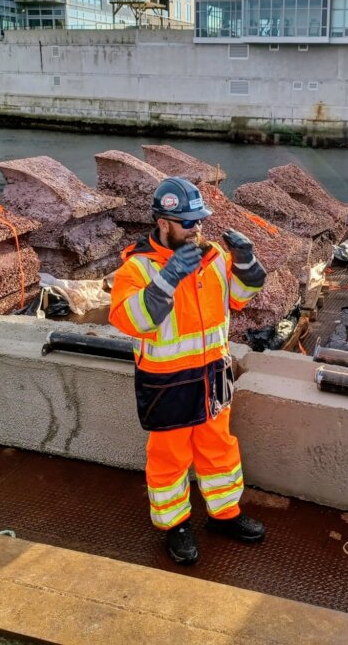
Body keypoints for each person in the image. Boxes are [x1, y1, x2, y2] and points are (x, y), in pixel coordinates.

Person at [109, 176, 267, 565]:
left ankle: (225, 515)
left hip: (213, 377)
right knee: (169, 457)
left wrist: (246, 261)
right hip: (167, 384)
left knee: (219, 449)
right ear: (163, 222)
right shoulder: (137, 268)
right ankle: (175, 526)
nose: (197, 229)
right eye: (187, 223)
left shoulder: (213, 257)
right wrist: (168, 279)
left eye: (200, 221)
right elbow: (132, 320)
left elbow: (241, 296)